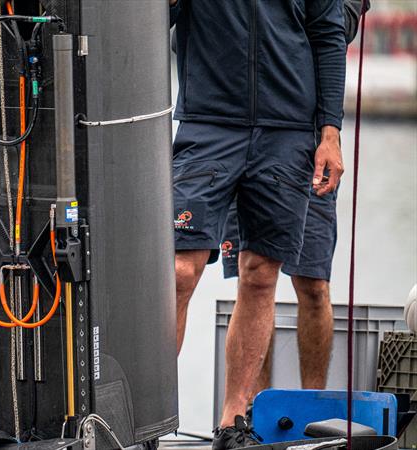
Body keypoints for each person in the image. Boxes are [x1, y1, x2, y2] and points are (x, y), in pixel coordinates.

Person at [168, 1, 347, 449]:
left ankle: (233, 423)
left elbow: (328, 35)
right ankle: (145, 418)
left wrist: (330, 133)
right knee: (178, 271)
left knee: (261, 273)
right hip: (208, 123)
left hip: (287, 131)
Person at [220, 0, 370, 395]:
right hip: (238, 134)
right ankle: (249, 410)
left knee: (313, 282)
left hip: (306, 140)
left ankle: (312, 405)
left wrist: (329, 134)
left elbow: (339, 29)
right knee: (253, 278)